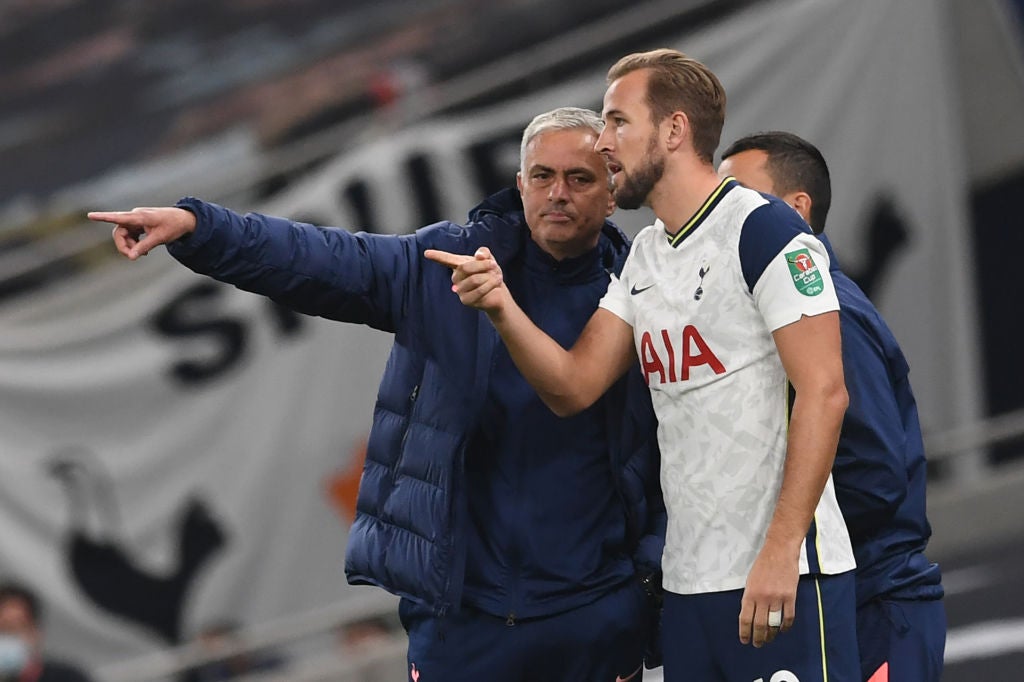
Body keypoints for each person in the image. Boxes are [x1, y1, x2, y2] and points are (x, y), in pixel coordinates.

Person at [89, 106, 665, 682]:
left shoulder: (645, 295)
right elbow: (319, 257)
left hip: (594, 621)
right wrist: (201, 229)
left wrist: (635, 599)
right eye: (542, 176)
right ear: (519, 185)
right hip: (464, 628)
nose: (557, 193)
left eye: (580, 178)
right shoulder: (443, 265)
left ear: (613, 193)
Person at [427, 49, 861, 682]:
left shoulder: (762, 231)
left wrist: (780, 551)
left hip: (784, 576)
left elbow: (825, 392)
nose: (602, 143)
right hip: (688, 590)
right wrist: (500, 305)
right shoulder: (644, 258)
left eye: (616, 122)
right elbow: (573, 386)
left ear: (674, 131)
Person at [718, 131, 946, 682]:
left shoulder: (829, 312)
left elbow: (874, 473)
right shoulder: (772, 313)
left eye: (739, 199)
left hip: (870, 602)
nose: (722, 218)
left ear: (797, 209)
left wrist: (775, 537)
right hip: (837, 596)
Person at [0, 582, 92, 682]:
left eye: (14, 628)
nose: (7, 637)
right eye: (2, 630)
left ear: (35, 632)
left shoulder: (68, 678)